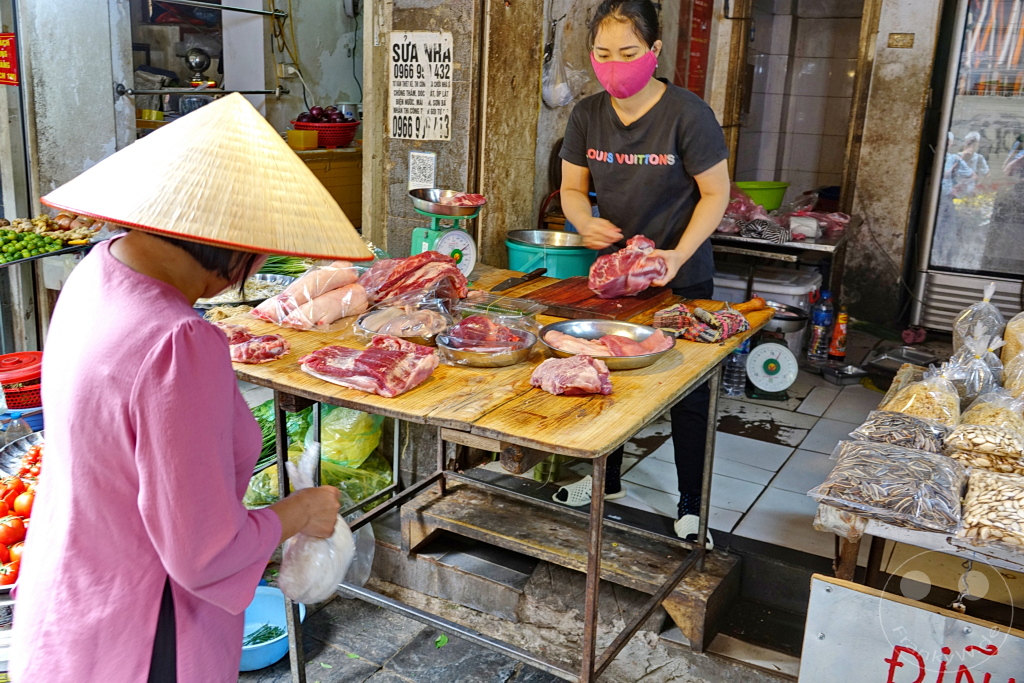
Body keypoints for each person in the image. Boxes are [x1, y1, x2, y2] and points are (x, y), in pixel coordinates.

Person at [11, 94, 370, 682]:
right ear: (233, 249)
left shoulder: (94, 273)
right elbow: (204, 553)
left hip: (69, 604)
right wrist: (299, 510)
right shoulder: (178, 344)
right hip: (145, 634)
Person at [553, 0, 730, 549]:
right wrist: (585, 223)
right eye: (603, 54)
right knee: (614, 376)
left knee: (688, 395)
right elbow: (572, 190)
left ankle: (691, 504)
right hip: (616, 276)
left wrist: (677, 254)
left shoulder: (687, 113)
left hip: (683, 275)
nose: (614, 64)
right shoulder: (586, 114)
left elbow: (715, 193)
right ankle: (608, 482)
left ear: (654, 52)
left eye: (628, 53)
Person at [954, 131, 989, 197]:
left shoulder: (979, 158)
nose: (971, 147)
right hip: (956, 193)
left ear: (977, 146)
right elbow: (950, 173)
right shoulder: (957, 156)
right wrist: (962, 158)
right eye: (969, 144)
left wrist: (978, 186)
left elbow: (987, 175)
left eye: (974, 145)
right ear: (965, 144)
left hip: (971, 194)